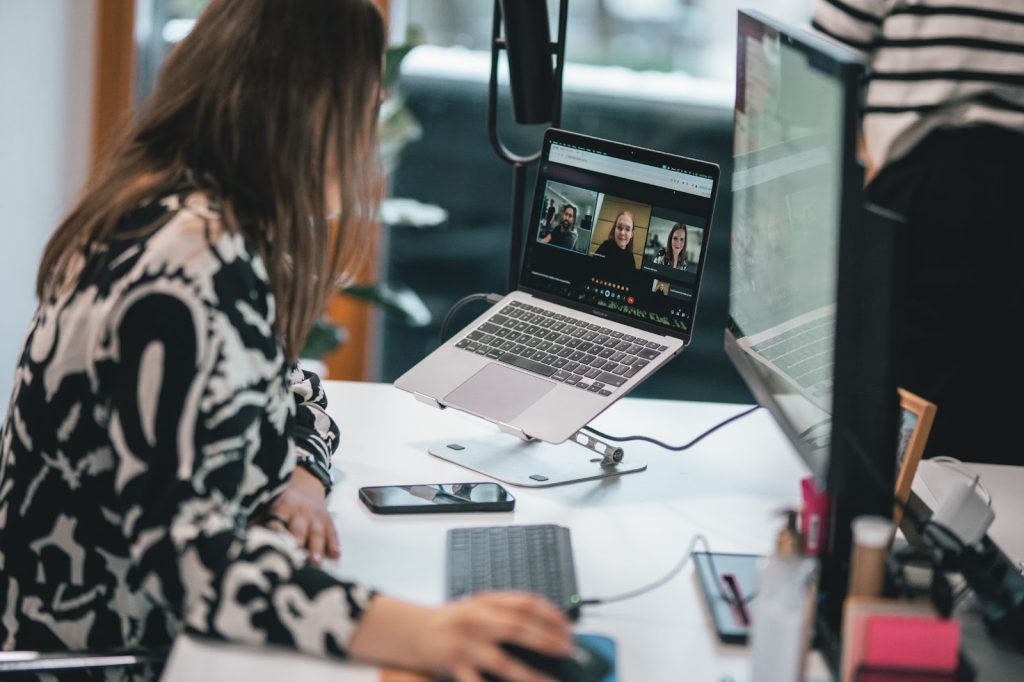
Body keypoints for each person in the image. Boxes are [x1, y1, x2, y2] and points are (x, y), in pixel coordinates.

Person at [0, 1, 573, 679]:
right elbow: (190, 566)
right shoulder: (185, 268)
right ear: (305, 110)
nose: (370, 134)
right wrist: (423, 633)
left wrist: (300, 477)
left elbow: (292, 390)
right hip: (110, 659)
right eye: (363, 105)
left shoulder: (188, 220)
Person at [812, 0, 1024, 465]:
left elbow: (822, 63)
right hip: (955, 180)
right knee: (998, 410)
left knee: (894, 397)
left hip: (923, 178)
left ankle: (882, 522)